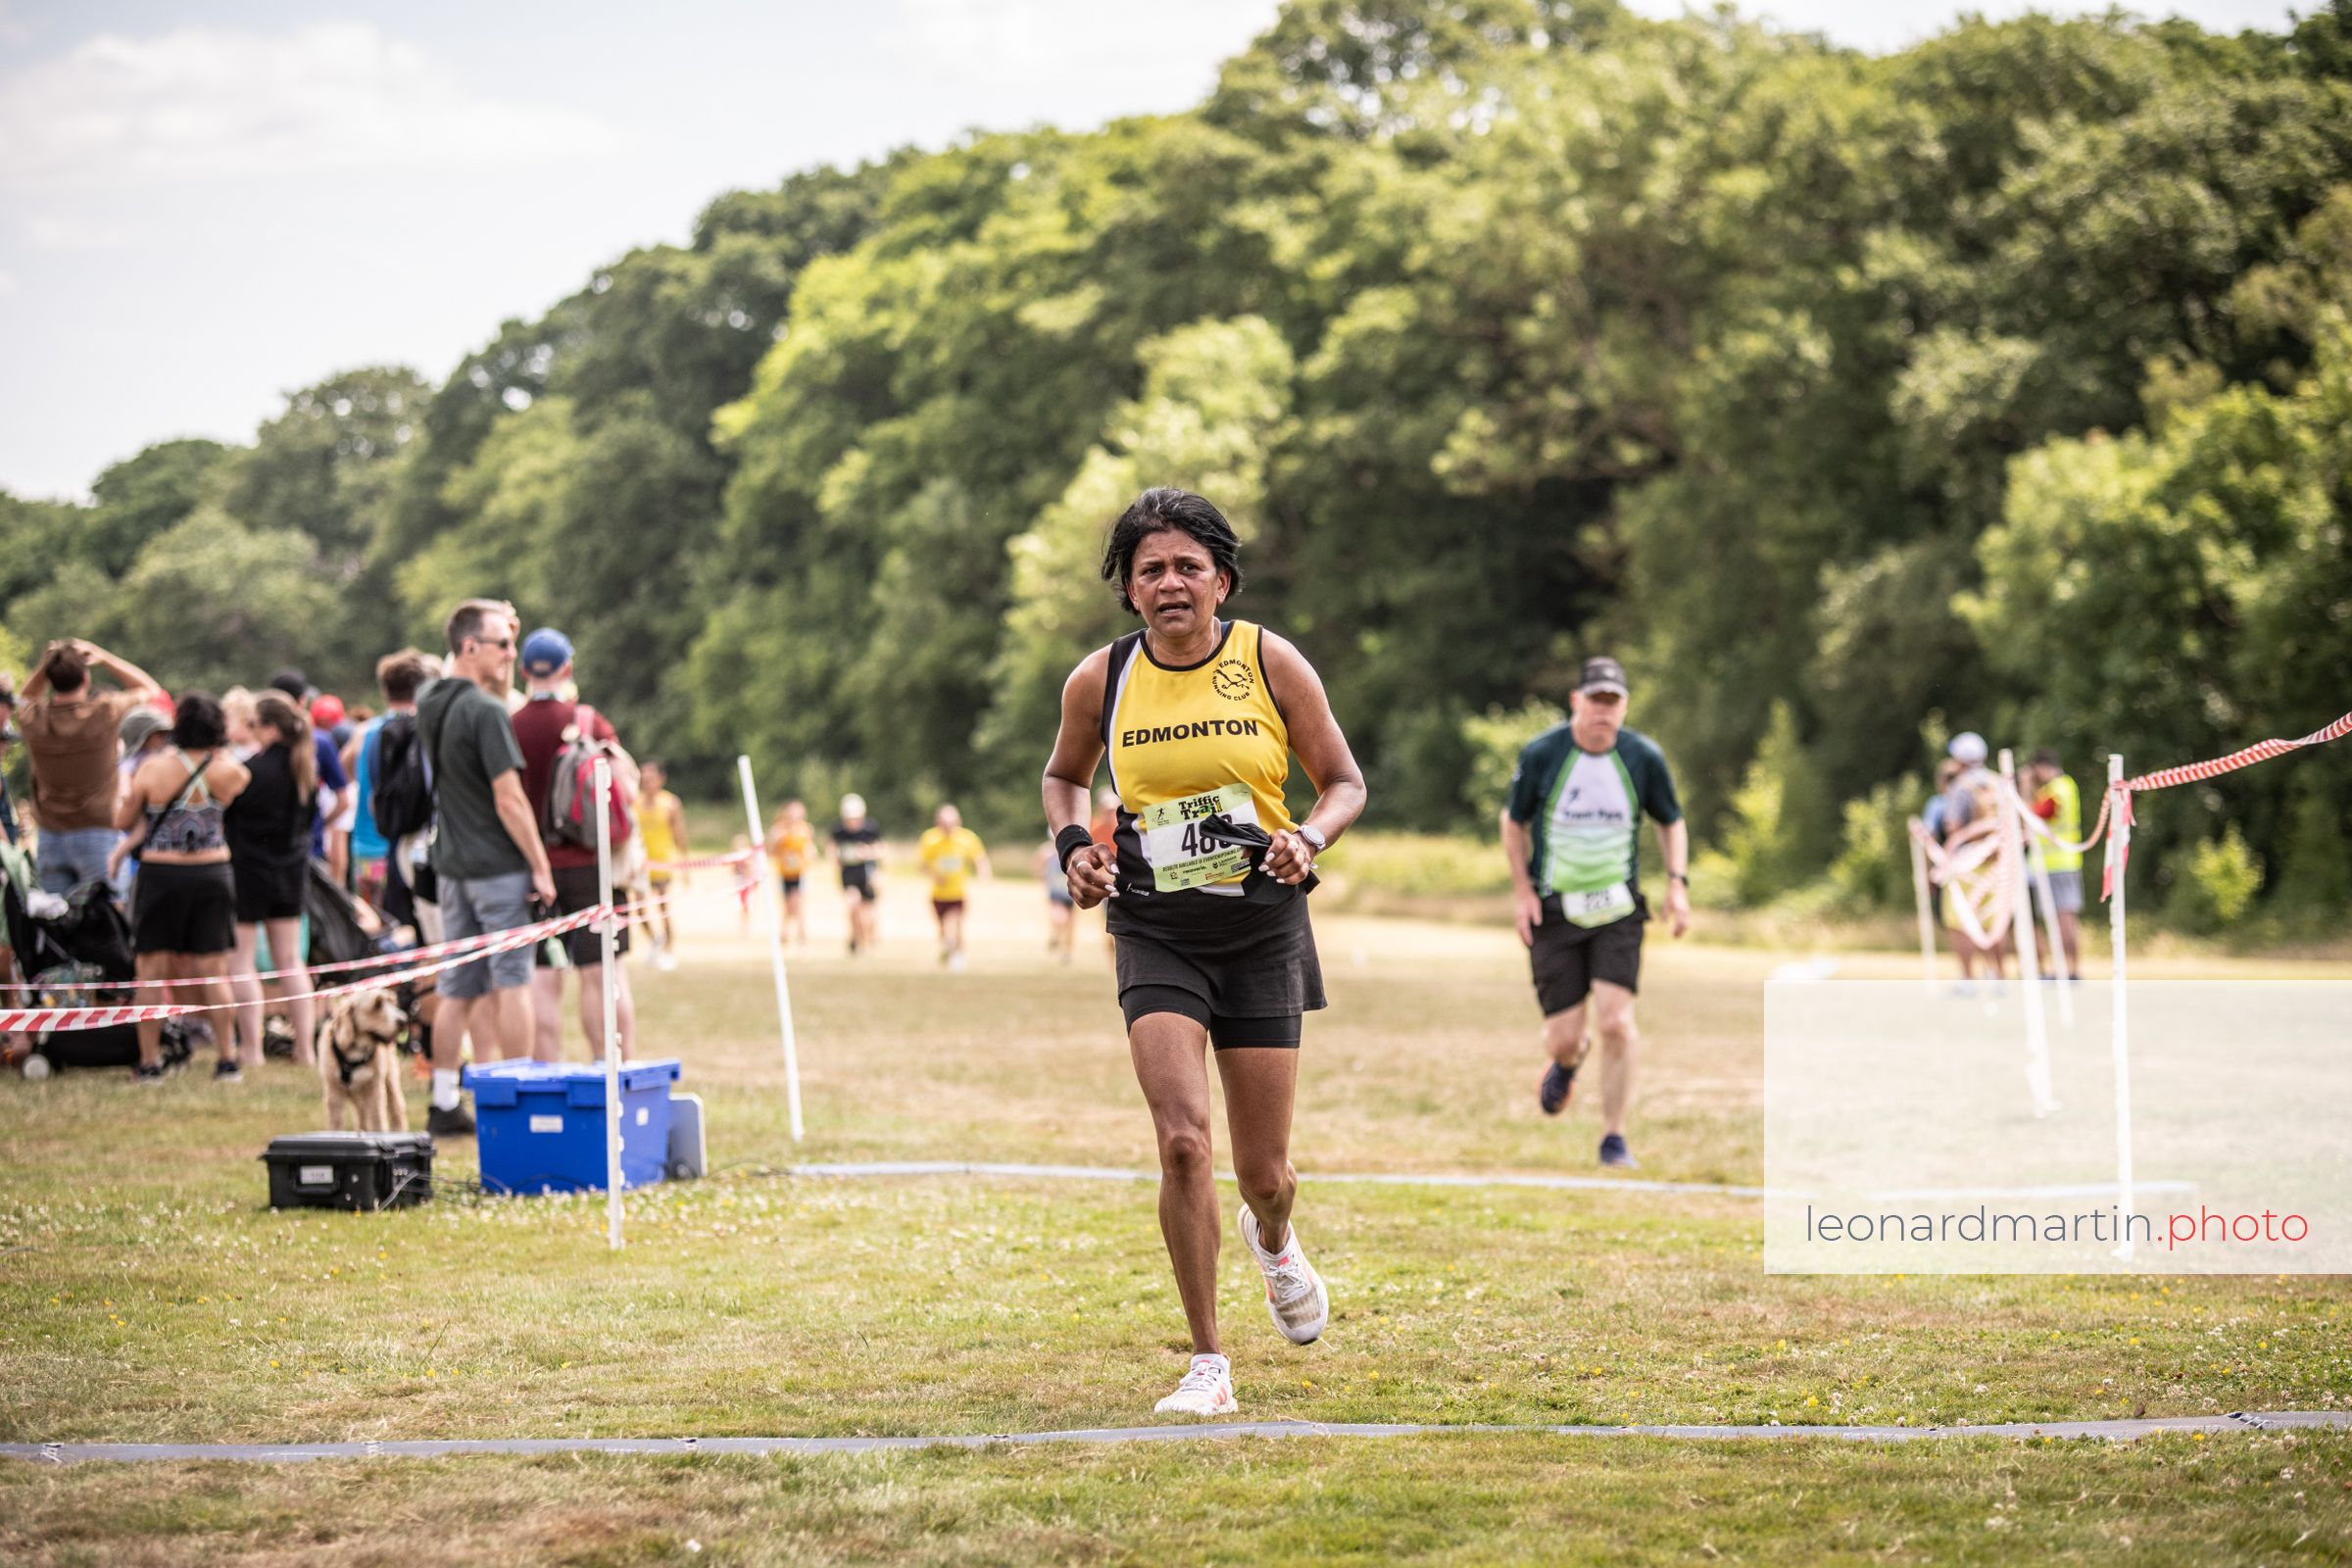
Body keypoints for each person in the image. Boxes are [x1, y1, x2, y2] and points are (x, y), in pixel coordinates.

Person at [1043, 486, 1367, 1419]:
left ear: (1222, 580)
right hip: (1156, 927)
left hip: (1262, 927)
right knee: (1183, 1141)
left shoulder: (1269, 661)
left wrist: (1309, 836)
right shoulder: (1101, 678)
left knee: (1265, 1174)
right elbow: (1064, 777)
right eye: (1151, 570)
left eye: (1189, 566)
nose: (1170, 583)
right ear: (1129, 589)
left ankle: (1275, 1239)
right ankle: (1208, 1363)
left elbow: (1344, 782)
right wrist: (1075, 848)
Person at [1500, 656, 1690, 1171]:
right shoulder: (1544, 753)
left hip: (1618, 908)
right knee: (1563, 1039)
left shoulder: (1642, 757)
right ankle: (1567, 1062)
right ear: (1577, 701)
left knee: (1617, 1023)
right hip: (1554, 910)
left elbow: (1671, 821)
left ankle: (1614, 1138)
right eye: (1596, 700)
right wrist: (1522, 891)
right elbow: (1513, 821)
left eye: (1613, 702)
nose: (1604, 711)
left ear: (1624, 706)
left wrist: (1677, 884)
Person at [417, 599, 556, 1132]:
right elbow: (510, 799)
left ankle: (444, 1101)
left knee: (457, 987)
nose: (511, 654)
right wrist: (539, 865)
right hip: (498, 867)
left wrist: (500, 639)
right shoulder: (487, 711)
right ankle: (517, 1098)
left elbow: (480, 682)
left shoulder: (430, 699)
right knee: (513, 980)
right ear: (471, 647)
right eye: (503, 645)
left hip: (452, 868)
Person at [511, 627, 637, 1063]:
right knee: (602, 973)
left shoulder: (511, 725)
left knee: (543, 978)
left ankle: (547, 1072)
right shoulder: (586, 721)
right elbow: (625, 790)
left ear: (524, 670)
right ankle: (612, 1069)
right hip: (591, 864)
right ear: (567, 668)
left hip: (534, 867)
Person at [111, 694, 248, 1082]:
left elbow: (123, 820)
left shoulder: (153, 769)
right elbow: (241, 785)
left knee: (150, 970)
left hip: (161, 873)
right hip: (212, 872)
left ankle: (149, 1062)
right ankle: (227, 1059)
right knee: (214, 970)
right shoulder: (229, 771)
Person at [220, 692, 322, 1070]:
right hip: (290, 872)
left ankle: (252, 1049)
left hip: (248, 871)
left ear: (270, 728)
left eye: (254, 724)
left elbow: (227, 815)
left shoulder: (249, 772)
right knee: (291, 962)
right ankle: (305, 1049)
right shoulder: (304, 773)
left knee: (242, 962)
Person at [18, 638, 164, 898]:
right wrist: (103, 657)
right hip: (98, 830)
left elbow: (23, 697)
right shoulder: (103, 712)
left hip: (52, 834)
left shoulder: (36, 719)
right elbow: (150, 689)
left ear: (50, 681)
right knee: (106, 914)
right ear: (86, 679)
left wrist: (47, 664)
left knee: (57, 916)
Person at [267, 670, 347, 862]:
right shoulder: (321, 741)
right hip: (308, 846)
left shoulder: (260, 741)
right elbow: (343, 799)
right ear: (302, 700)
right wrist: (320, 823)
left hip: (264, 848)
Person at [2026, 748, 2084, 980]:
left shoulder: (2057, 789)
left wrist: (2026, 790)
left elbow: (2036, 814)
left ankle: (2070, 970)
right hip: (2059, 862)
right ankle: (2069, 969)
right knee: (2064, 919)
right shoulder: (2064, 786)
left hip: (2057, 864)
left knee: (2063, 919)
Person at [918, 804, 989, 971]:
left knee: (955, 923)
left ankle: (957, 955)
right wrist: (935, 875)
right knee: (944, 928)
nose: (948, 827)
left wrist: (984, 874)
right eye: (944, 823)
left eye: (951, 823)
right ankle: (948, 946)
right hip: (938, 893)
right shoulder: (930, 839)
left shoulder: (967, 839)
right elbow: (922, 864)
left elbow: (979, 858)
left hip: (958, 892)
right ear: (938, 823)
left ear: (958, 822)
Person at [634, 760, 688, 971]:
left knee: (663, 909)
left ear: (661, 779)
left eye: (651, 778)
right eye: (644, 778)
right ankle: (655, 940)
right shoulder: (634, 802)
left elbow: (679, 834)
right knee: (639, 910)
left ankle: (669, 950)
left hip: (663, 863)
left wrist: (684, 865)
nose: (647, 782)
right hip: (640, 865)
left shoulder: (670, 803)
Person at [833, 793, 882, 955]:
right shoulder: (839, 831)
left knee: (868, 912)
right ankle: (856, 937)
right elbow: (832, 851)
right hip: (849, 875)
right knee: (853, 906)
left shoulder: (870, 829)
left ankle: (867, 938)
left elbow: (880, 850)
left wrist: (867, 852)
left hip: (867, 874)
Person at [766, 800, 816, 948]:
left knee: (798, 904)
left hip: (799, 873)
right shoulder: (778, 830)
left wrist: (809, 856)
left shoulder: (805, 830)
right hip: (784, 873)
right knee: (787, 906)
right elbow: (771, 851)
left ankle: (801, 938)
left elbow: (810, 849)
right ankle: (784, 934)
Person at [1035, 836, 1076, 962]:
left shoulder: (1047, 851)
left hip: (1068, 890)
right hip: (1058, 890)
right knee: (1062, 919)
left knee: (1068, 922)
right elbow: (1039, 869)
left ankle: (1064, 948)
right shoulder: (1048, 851)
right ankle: (1059, 939)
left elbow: (1038, 869)